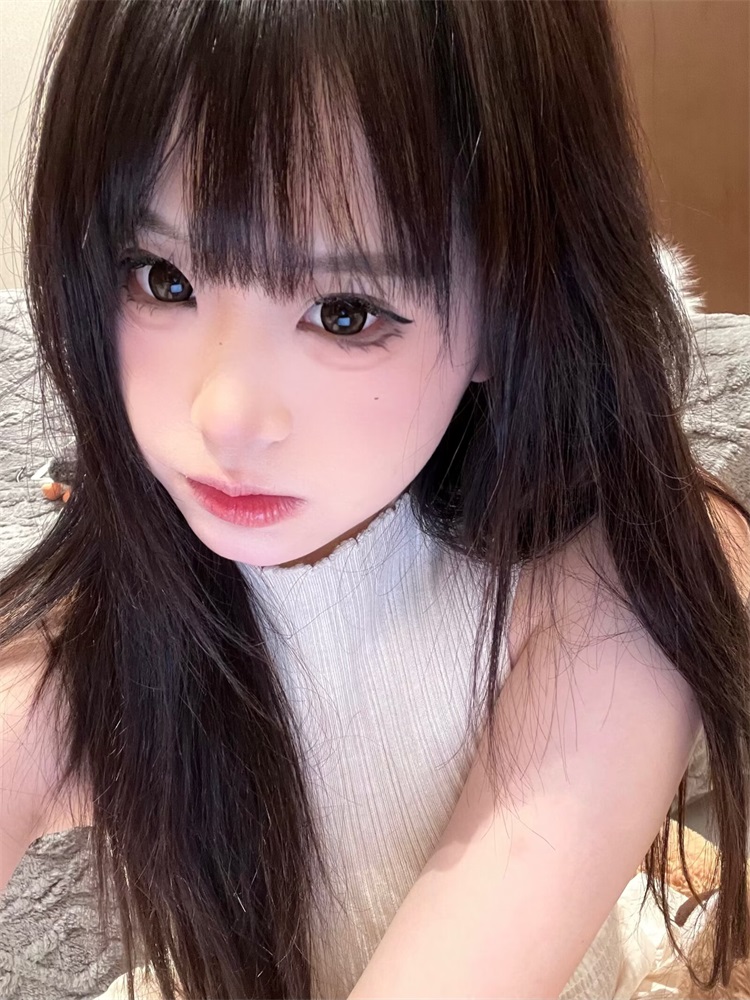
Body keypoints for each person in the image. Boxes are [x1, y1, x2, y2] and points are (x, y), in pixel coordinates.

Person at [1, 1, 749, 998]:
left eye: (345, 312)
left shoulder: (602, 605)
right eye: (163, 278)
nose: (224, 416)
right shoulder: (137, 589)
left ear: (512, 303)